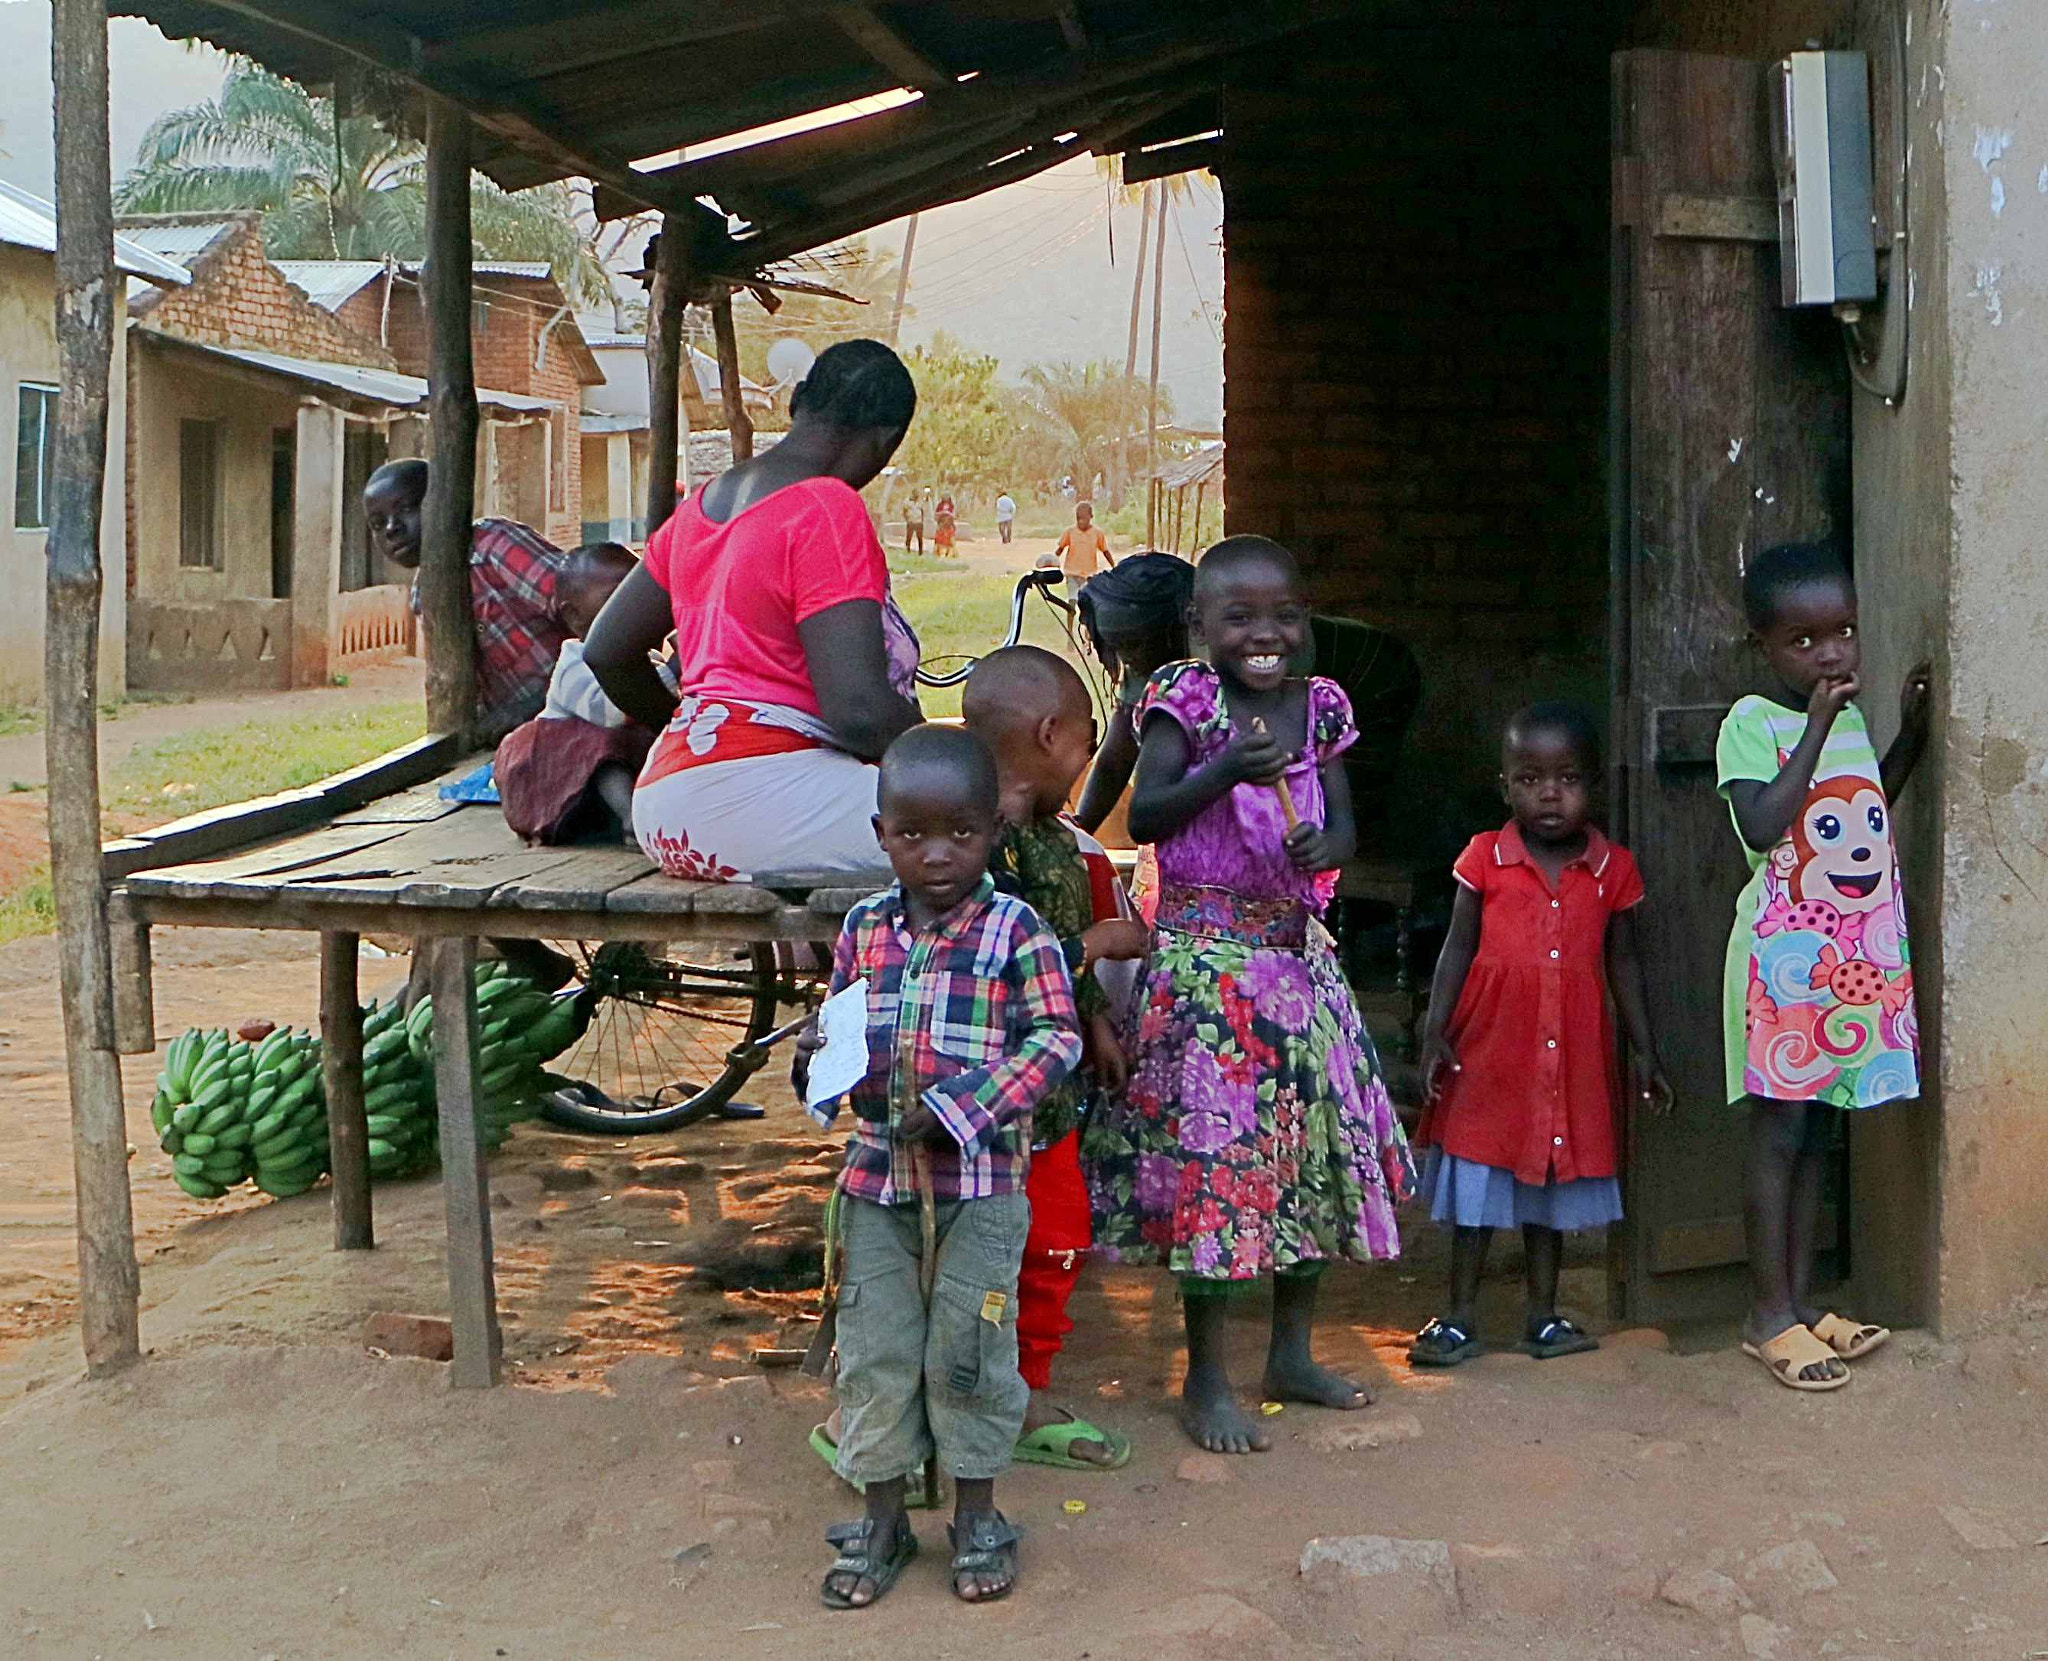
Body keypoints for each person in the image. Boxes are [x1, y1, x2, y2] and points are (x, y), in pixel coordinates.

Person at [1084, 536, 1415, 1455]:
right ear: (1198, 627)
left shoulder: (1321, 707)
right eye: (1240, 618)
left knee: (1305, 1162)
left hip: (1297, 963)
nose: (1265, 634)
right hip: (1204, 972)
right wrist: (1223, 767)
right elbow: (1144, 817)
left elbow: (1344, 819)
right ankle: (1205, 1378)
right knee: (1216, 1178)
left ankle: (1292, 1354)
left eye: (1285, 615)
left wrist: (1331, 849)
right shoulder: (1180, 702)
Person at [804, 724, 1082, 1609]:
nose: (937, 855)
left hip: (983, 1189)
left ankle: (976, 1515)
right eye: (914, 835)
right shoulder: (862, 928)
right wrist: (815, 1060)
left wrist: (962, 1107)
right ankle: (884, 1520)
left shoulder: (1016, 930)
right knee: (876, 1349)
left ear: (992, 831)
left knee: (968, 1351)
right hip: (877, 1184)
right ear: (881, 831)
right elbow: (839, 1033)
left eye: (961, 834)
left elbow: (1057, 1037)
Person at [584, 339, 925, 881]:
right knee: (987, 833)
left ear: (799, 406)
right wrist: (940, 755)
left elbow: (605, 651)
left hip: (664, 804)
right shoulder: (826, 505)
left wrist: (688, 723)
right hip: (761, 802)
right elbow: (858, 713)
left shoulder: (699, 508)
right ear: (886, 441)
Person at [1717, 542, 1931, 1392]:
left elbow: (1858, 809)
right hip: (1782, 961)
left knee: (1816, 1133)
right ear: (1762, 647)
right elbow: (1766, 822)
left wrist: (1907, 741)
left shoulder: (1842, 719)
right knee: (1776, 1135)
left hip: (1848, 961)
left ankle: (1800, 1308)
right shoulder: (1751, 721)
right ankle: (1764, 1314)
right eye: (1805, 640)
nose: (1831, 651)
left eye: (1842, 631)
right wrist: (1810, 724)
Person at [1408, 703, 1671, 1368]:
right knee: (1478, 1184)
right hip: (1490, 1051)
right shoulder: (1485, 860)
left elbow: (1625, 961)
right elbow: (1457, 946)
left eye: (1568, 778)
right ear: (1506, 786)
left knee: (1548, 1190)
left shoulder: (1614, 870)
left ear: (1595, 786)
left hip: (1569, 1054)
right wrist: (1435, 1031)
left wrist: (1644, 1047)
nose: (1550, 793)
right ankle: (1459, 1317)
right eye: (1530, 779)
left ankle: (1542, 1315)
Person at [363, 458, 569, 744]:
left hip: (587, 701)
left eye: (407, 509)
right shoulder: (424, 597)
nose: (391, 529)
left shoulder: (494, 546)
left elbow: (589, 620)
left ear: (441, 504)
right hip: (533, 735)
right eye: (377, 523)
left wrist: (534, 706)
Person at [494, 544, 662, 845]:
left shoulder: (646, 659)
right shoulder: (572, 666)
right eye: (615, 600)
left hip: (613, 765)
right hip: (562, 769)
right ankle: (630, 819)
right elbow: (611, 713)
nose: (631, 610)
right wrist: (672, 673)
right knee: (599, 743)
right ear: (574, 616)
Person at [1070, 551, 1196, 838]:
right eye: (1117, 647)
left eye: (1134, 645)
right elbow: (1114, 763)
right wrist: (1078, 835)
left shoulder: (1229, 669)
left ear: (1182, 630)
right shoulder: (1145, 671)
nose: (1128, 660)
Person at [1053, 501, 1113, 600]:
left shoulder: (1097, 533)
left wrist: (1114, 566)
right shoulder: (1070, 532)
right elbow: (1060, 549)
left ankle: (1083, 616)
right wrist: (1051, 563)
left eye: (1084, 519)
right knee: (1072, 599)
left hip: (1089, 575)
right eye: (1078, 518)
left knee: (1085, 601)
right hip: (1071, 573)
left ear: (1091, 516)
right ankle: (1070, 615)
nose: (1081, 521)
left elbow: (1105, 551)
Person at [934, 492, 957, 558]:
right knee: (939, 539)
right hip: (941, 523)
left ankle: (951, 552)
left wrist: (948, 514)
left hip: (949, 523)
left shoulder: (952, 505)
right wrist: (942, 514)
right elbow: (935, 514)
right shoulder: (939, 505)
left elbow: (954, 515)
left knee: (951, 539)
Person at [905, 488, 926, 556]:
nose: (916, 495)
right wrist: (907, 519)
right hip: (911, 521)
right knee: (909, 537)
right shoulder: (907, 501)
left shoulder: (921, 501)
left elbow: (923, 511)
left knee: (919, 537)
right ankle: (907, 549)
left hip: (918, 522)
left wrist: (922, 520)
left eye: (917, 493)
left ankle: (920, 552)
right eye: (915, 493)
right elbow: (904, 510)